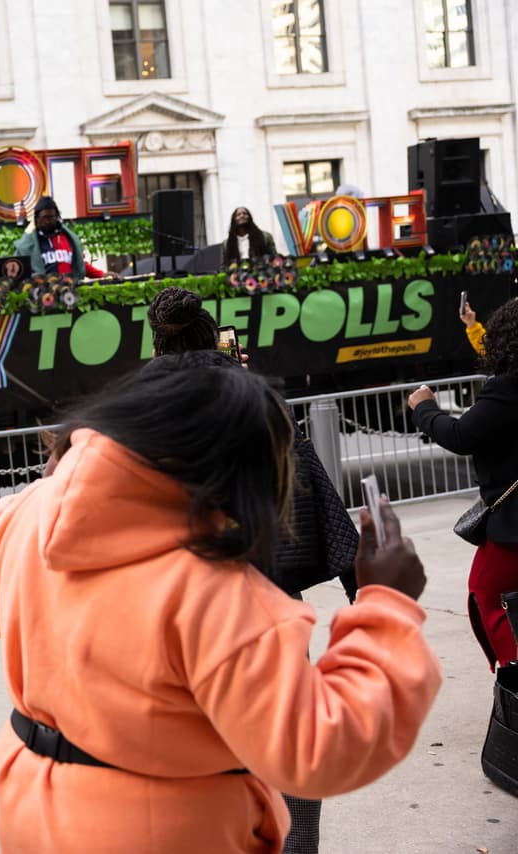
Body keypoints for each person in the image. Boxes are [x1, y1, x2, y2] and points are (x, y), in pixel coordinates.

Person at [0, 362, 441, 853]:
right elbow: (318, 749)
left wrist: (51, 492)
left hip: (30, 807)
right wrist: (386, 607)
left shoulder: (28, 513)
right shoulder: (221, 596)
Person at [145, 288, 358, 854]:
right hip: (270, 603)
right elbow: (306, 482)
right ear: (212, 333)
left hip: (189, 611)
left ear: (157, 341)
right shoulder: (260, 399)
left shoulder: (146, 410)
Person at [408, 298, 518, 668]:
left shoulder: (507, 388)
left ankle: (514, 680)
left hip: (513, 526)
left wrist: (424, 407)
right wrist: (472, 325)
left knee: (487, 593)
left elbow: (460, 435)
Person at [13, 196, 113, 280]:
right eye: (45, 217)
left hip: (70, 295)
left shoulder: (68, 239)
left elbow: (79, 265)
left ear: (57, 217)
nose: (48, 221)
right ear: (37, 218)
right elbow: (16, 270)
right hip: (41, 297)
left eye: (51, 217)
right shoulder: (27, 245)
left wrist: (102, 275)